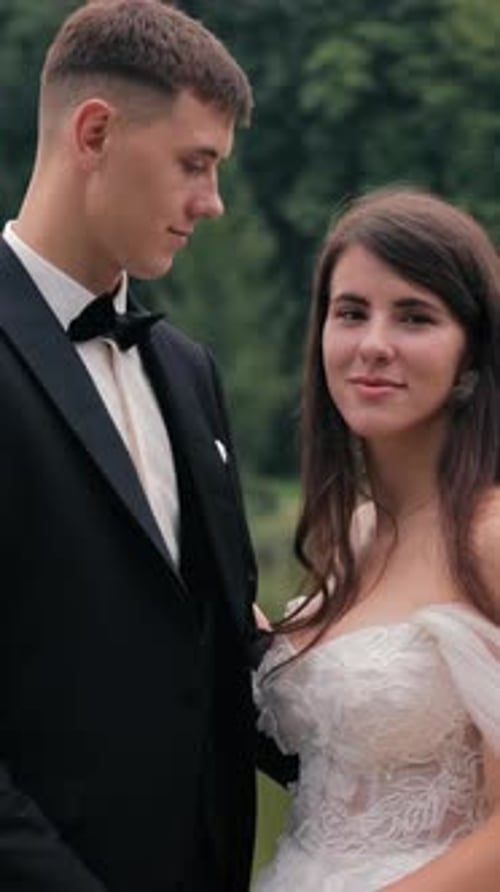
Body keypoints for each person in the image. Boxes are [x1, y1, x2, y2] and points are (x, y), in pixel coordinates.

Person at [0, 2, 259, 890]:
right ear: (96, 131)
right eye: (196, 163)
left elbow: (220, 652)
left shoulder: (189, 374)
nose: (212, 203)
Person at [253, 187, 500, 891]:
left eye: (415, 317)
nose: (374, 345)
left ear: (473, 358)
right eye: (351, 313)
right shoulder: (353, 535)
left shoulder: (490, 537)